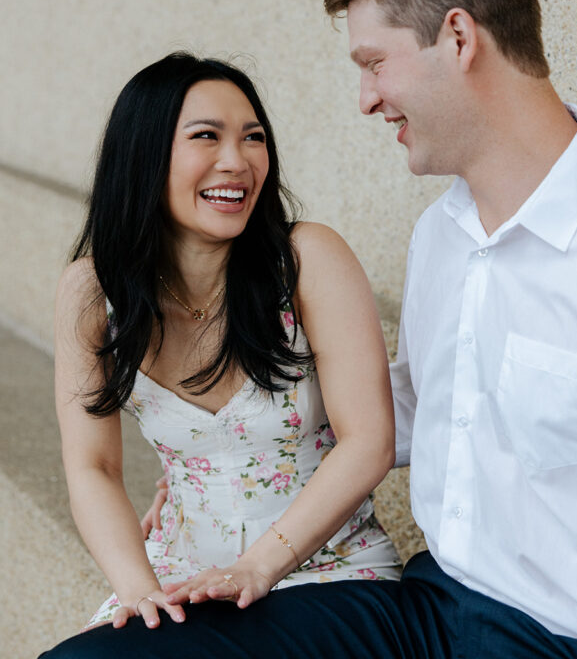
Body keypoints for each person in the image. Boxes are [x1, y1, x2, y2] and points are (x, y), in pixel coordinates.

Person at [41, 0, 577, 659]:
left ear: (458, 38)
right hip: (429, 613)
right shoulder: (444, 235)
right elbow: (422, 404)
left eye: (373, 63)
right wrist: (222, 453)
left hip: (572, 643)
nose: (366, 99)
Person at [47, 53, 401, 637]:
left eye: (253, 137)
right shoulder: (91, 293)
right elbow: (94, 466)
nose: (237, 161)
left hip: (329, 570)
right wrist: (139, 592)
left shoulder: (307, 260)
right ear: (144, 154)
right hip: (178, 573)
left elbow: (369, 441)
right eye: (206, 136)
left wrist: (256, 567)